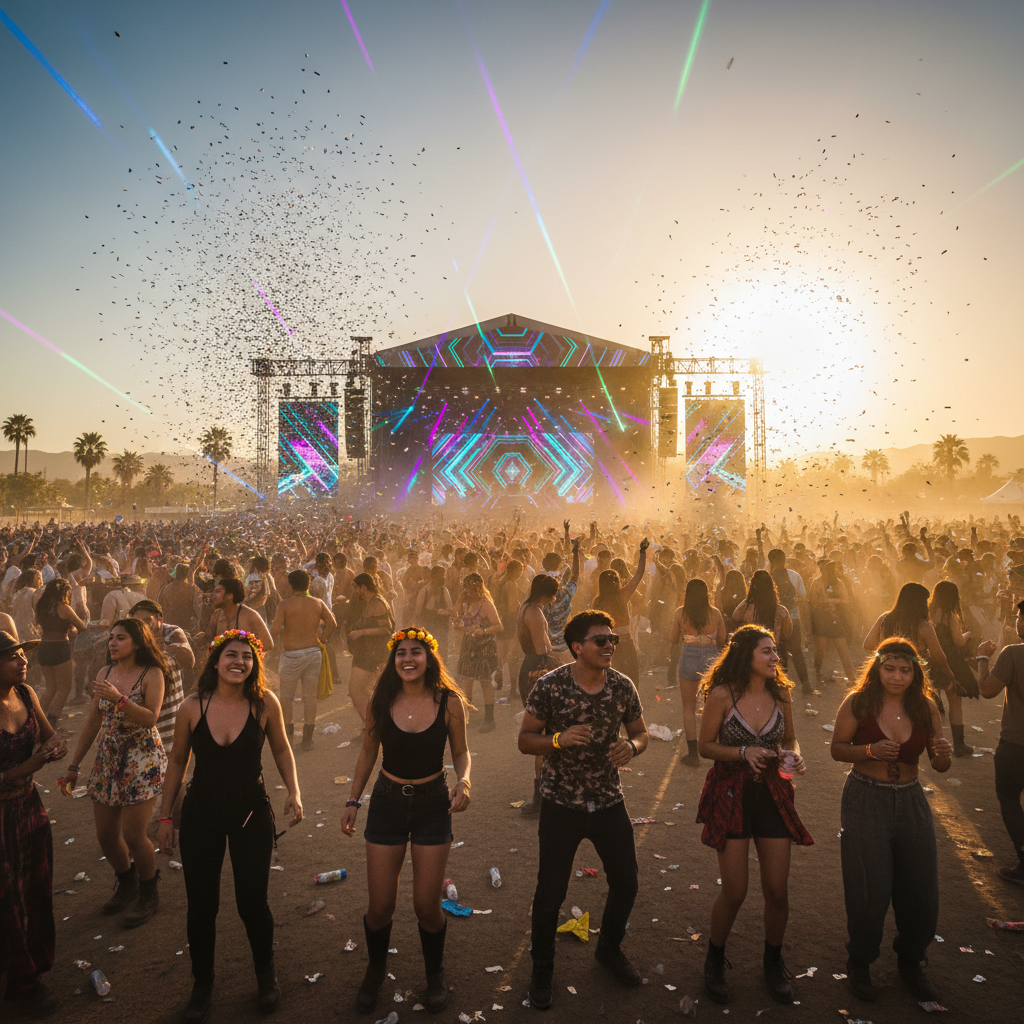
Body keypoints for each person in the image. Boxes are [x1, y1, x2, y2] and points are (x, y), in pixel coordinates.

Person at [157, 629, 302, 1023]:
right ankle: (202, 985)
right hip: (201, 813)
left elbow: (282, 747)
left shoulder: (264, 703)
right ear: (215, 662)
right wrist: (167, 815)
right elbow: (176, 762)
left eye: (247, 657)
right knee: (202, 906)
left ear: (254, 666)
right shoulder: (192, 707)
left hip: (250, 814)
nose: (239, 662)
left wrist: (294, 790)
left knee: (252, 902)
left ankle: (265, 976)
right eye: (231, 655)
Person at [518, 609, 650, 1010]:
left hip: (609, 800)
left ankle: (608, 949)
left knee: (626, 882)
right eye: (601, 640)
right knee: (550, 893)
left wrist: (633, 747)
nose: (610, 645)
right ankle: (542, 968)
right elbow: (526, 740)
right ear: (577, 647)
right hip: (562, 802)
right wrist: (557, 739)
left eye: (612, 640)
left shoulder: (623, 686)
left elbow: (641, 732)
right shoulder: (551, 686)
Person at [341, 626, 472, 1015]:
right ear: (393, 660)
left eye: (416, 651)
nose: (408, 659)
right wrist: (353, 800)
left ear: (429, 658)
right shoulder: (380, 701)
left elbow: (463, 753)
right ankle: (375, 969)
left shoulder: (449, 703)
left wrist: (464, 780)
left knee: (426, 907)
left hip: (434, 805)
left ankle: (435, 974)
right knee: (380, 907)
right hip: (386, 803)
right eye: (401, 653)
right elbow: (367, 753)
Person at [830, 637, 952, 1004]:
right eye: (890, 669)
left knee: (921, 891)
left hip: (912, 800)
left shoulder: (925, 707)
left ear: (915, 673)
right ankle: (861, 960)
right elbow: (837, 749)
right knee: (870, 888)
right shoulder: (859, 703)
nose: (897, 677)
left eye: (905, 670)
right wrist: (870, 750)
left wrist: (944, 754)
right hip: (866, 797)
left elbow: (940, 764)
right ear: (877, 669)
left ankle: (911, 961)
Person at [696, 624, 811, 1005]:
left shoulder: (782, 694)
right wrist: (743, 753)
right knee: (735, 891)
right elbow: (705, 746)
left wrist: (794, 754)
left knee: (777, 890)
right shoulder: (722, 695)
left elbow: (790, 738)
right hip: (731, 795)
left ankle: (772, 961)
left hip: (773, 797)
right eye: (767, 651)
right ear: (747, 655)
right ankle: (714, 958)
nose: (775, 657)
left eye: (775, 650)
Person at [59, 618, 168, 927]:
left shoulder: (152, 674)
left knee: (134, 835)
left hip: (140, 760)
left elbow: (150, 718)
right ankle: (127, 882)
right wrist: (73, 765)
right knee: (106, 835)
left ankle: (149, 892)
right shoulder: (104, 673)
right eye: (111, 638)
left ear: (137, 643)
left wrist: (118, 699)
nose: (112, 643)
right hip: (109, 760)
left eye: (120, 638)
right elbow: (92, 722)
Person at [0, 631, 66, 1017]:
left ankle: (34, 965)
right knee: (6, 900)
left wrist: (56, 748)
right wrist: (28, 766)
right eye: (12, 656)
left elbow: (48, 735)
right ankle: (21, 982)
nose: (22, 661)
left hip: (29, 809)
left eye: (23, 654)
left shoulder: (26, 695)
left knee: (34, 890)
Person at [978, 600, 1024, 885]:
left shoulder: (1013, 654)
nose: (1016, 621)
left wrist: (982, 658)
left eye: (1020, 616)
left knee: (1009, 798)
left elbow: (986, 690)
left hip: (1016, 744)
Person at [270, 569, 337, 750]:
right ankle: (307, 740)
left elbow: (275, 631)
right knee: (310, 697)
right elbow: (332, 624)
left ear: (291, 587)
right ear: (308, 585)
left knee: (286, 697)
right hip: (313, 653)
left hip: (292, 655)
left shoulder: (284, 605)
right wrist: (323, 637)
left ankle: (289, 738)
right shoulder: (317, 603)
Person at [515, 573, 560, 816]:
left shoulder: (528, 607)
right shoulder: (532, 611)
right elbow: (542, 646)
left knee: (547, 733)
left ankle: (544, 796)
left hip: (533, 666)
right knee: (544, 736)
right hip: (537, 667)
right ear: (546, 593)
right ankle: (541, 799)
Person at [670, 578, 727, 765]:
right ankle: (718, 749)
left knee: (688, 707)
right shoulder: (715, 613)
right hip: (711, 657)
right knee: (715, 705)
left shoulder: (680, 613)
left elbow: (672, 639)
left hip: (689, 656)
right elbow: (722, 640)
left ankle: (693, 754)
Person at [929, 580, 981, 756]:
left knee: (928, 701)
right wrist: (967, 635)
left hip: (930, 659)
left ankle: (928, 743)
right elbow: (958, 641)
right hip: (951, 661)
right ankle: (959, 745)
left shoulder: (926, 612)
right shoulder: (950, 615)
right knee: (955, 703)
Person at [34, 578, 93, 730]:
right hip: (59, 648)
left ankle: (35, 721)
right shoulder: (64, 607)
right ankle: (52, 723)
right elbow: (82, 626)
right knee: (64, 689)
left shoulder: (41, 607)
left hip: (44, 647)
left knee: (50, 687)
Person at [593, 540, 649, 685]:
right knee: (631, 679)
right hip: (625, 643)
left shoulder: (597, 601)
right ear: (617, 581)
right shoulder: (622, 596)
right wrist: (642, 552)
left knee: (610, 681)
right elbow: (639, 574)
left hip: (605, 644)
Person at [453, 573, 502, 732]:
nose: (468, 592)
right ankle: (467, 715)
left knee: (485, 681)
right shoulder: (468, 603)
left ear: (478, 588)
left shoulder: (486, 604)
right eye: (466, 589)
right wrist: (459, 604)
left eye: (471, 588)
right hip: (469, 645)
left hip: (484, 647)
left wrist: (484, 630)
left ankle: (490, 719)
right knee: (466, 680)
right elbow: (458, 622)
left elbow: (499, 626)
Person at [347, 573, 395, 725]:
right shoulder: (371, 601)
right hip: (367, 653)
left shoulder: (376, 602)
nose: (355, 592)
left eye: (356, 587)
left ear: (364, 587)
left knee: (355, 690)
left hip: (371, 653)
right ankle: (374, 722)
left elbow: (386, 629)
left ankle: (371, 726)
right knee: (367, 691)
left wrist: (361, 632)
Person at [808, 560, 856, 684]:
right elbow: (812, 599)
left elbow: (845, 599)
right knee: (821, 648)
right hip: (822, 618)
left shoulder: (838, 582)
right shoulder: (817, 582)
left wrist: (831, 600)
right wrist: (825, 601)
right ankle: (818, 672)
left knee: (842, 648)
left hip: (836, 618)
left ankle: (851, 677)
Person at [200, 578, 274, 652]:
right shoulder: (217, 614)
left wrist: (246, 656)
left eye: (218, 591)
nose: (213, 595)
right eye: (214, 591)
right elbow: (207, 641)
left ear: (229, 596)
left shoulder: (250, 615)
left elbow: (268, 644)